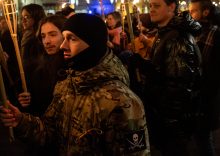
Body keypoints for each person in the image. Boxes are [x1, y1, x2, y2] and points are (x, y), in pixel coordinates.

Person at [0, 13, 150, 156]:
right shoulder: (67, 85)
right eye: (64, 38)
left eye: (71, 39)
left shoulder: (122, 101)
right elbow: (49, 132)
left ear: (92, 42)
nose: (62, 46)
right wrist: (21, 120)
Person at [142, 0, 202, 156]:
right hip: (165, 118)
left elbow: (178, 86)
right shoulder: (164, 33)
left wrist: (169, 123)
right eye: (150, 5)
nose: (151, 10)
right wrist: (141, 64)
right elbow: (162, 71)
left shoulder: (177, 38)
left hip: (172, 122)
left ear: (171, 7)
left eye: (157, 6)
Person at [189, 0, 220, 156]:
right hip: (196, 95)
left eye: (193, 11)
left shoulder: (215, 34)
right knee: (200, 138)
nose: (190, 14)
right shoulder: (196, 33)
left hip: (207, 97)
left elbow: (214, 71)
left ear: (206, 12)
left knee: (203, 139)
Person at [18, 15, 67, 116]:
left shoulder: (75, 66)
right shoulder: (37, 68)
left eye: (53, 35)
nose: (47, 41)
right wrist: (26, 100)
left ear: (65, 35)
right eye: (43, 36)